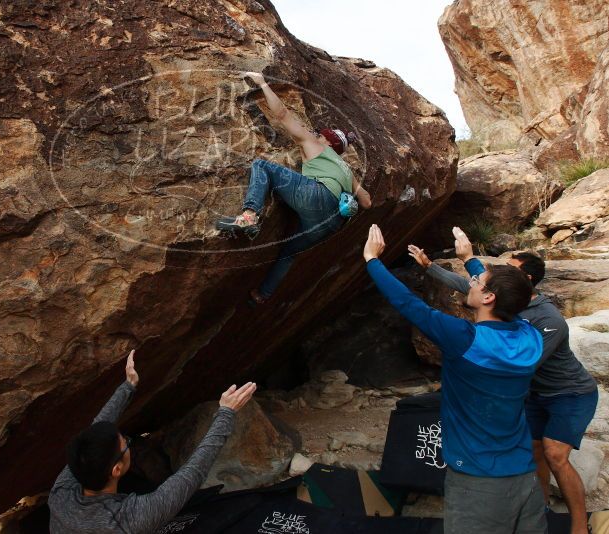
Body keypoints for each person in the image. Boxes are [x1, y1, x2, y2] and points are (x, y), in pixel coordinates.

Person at [363, 225, 546, 534]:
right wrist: (470, 259)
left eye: (476, 281)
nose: (470, 282)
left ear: (488, 297)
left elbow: (409, 304)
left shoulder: (465, 339)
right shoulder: (530, 337)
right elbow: (508, 298)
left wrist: (372, 260)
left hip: (478, 482)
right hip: (525, 476)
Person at [408, 243, 598, 534]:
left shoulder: (550, 320)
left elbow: (518, 366)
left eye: (510, 270)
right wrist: (430, 266)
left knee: (554, 454)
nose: (499, 272)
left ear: (525, 282)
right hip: (536, 393)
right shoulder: (509, 306)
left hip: (569, 393)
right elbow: (469, 285)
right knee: (533, 451)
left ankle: (578, 525)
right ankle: (537, 509)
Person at [48, 350, 257, 534]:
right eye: (127, 444)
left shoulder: (61, 493)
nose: (130, 445)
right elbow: (192, 474)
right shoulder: (130, 520)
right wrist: (226, 413)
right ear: (116, 469)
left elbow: (95, 430)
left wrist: (128, 386)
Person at [216, 71, 372, 305]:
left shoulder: (315, 144)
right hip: (330, 224)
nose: (316, 133)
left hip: (315, 196)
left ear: (327, 141)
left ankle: (249, 216)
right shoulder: (348, 171)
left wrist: (262, 83)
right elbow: (367, 202)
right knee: (289, 252)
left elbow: (282, 114)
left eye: (321, 134)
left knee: (262, 165)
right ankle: (263, 295)